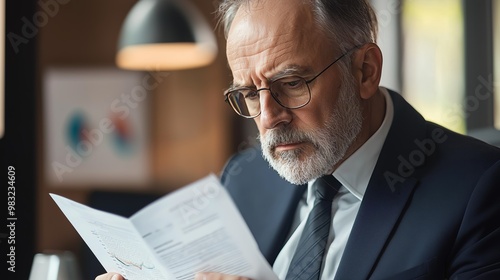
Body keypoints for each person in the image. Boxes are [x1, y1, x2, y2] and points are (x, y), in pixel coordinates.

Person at [97, 0, 500, 279]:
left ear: (365, 71)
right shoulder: (244, 178)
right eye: (250, 94)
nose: (269, 118)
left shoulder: (479, 190)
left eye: (291, 83)